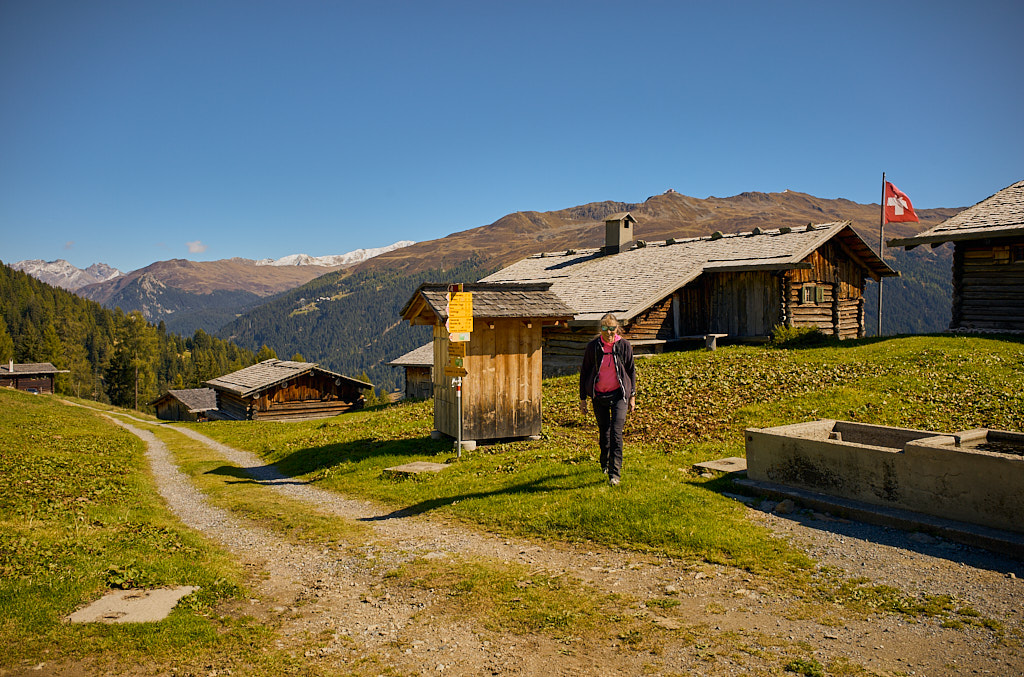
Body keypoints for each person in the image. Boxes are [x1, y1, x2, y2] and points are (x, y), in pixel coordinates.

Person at [578, 313, 636, 486]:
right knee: (604, 432)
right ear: (600, 329)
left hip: (620, 395)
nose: (609, 332)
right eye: (605, 328)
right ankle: (605, 462)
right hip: (599, 395)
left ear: (617, 328)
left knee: (616, 433)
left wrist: (632, 396)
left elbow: (631, 371)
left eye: (612, 328)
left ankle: (614, 474)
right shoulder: (593, 347)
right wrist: (583, 399)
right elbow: (585, 372)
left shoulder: (624, 346)